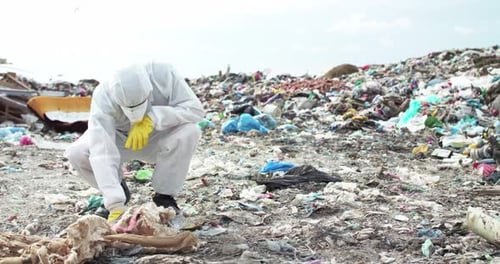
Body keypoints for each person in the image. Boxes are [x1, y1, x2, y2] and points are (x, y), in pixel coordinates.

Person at [65, 61, 205, 222]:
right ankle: (120, 192)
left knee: (190, 131)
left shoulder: (164, 74)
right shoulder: (103, 95)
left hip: (157, 136)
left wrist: (153, 118)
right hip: (120, 140)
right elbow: (102, 149)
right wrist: (115, 203)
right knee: (76, 153)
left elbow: (195, 110)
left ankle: (165, 197)